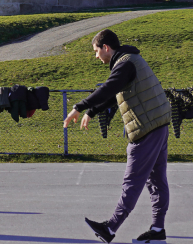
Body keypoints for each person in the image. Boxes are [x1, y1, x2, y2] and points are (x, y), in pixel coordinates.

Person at [63, 29, 172, 244]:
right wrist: (92, 112)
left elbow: (109, 87)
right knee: (157, 180)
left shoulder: (125, 64)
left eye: (96, 51)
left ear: (106, 48)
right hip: (159, 124)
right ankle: (158, 230)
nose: (96, 56)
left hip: (147, 128)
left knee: (133, 181)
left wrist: (79, 107)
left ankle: (110, 228)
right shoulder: (130, 60)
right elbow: (116, 94)